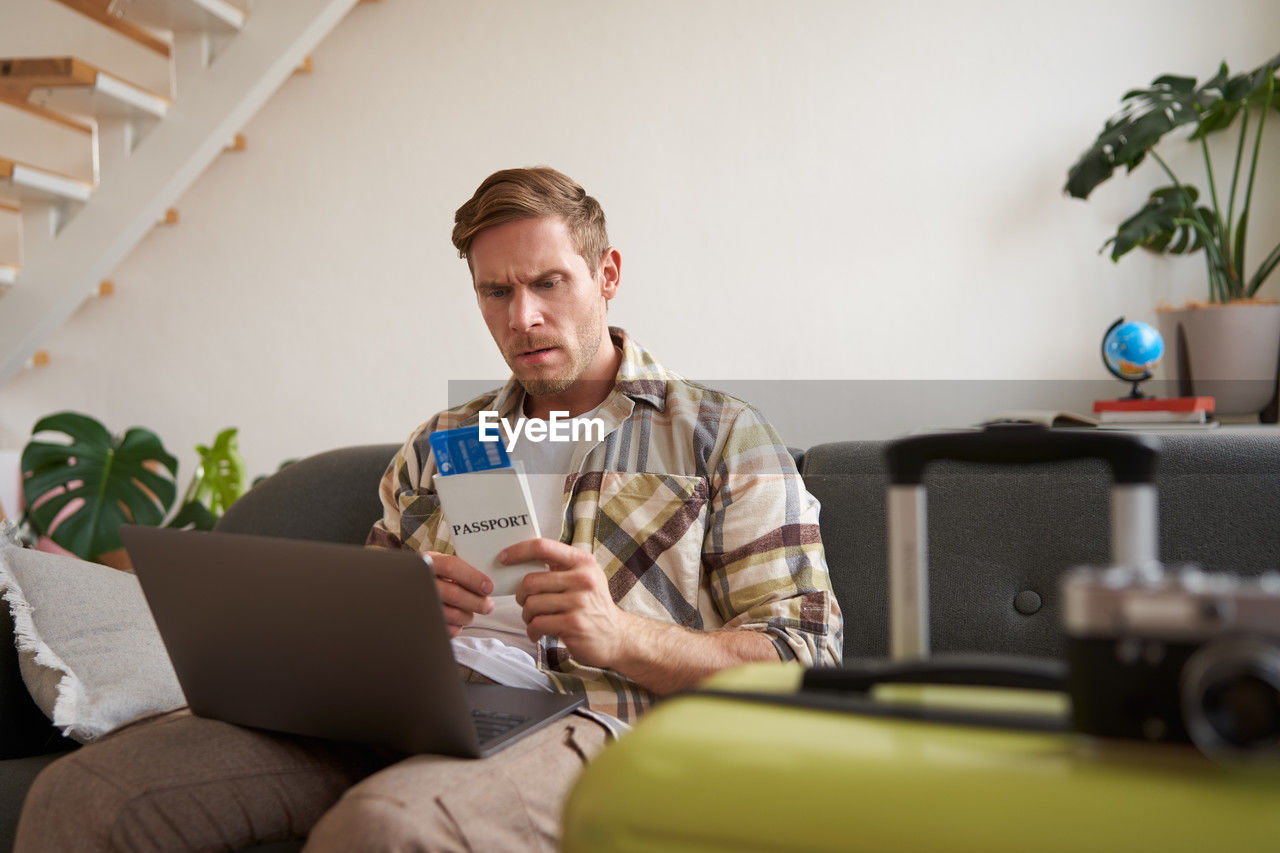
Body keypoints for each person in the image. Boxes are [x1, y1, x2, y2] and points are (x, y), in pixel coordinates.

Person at [16, 167, 842, 852]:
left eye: (548, 282)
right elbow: (353, 621)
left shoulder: (719, 436)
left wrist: (621, 634)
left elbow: (805, 657)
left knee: (385, 829)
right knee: (90, 794)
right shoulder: (440, 441)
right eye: (496, 292)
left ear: (607, 274)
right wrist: (397, 607)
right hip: (398, 708)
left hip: (593, 717)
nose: (523, 317)